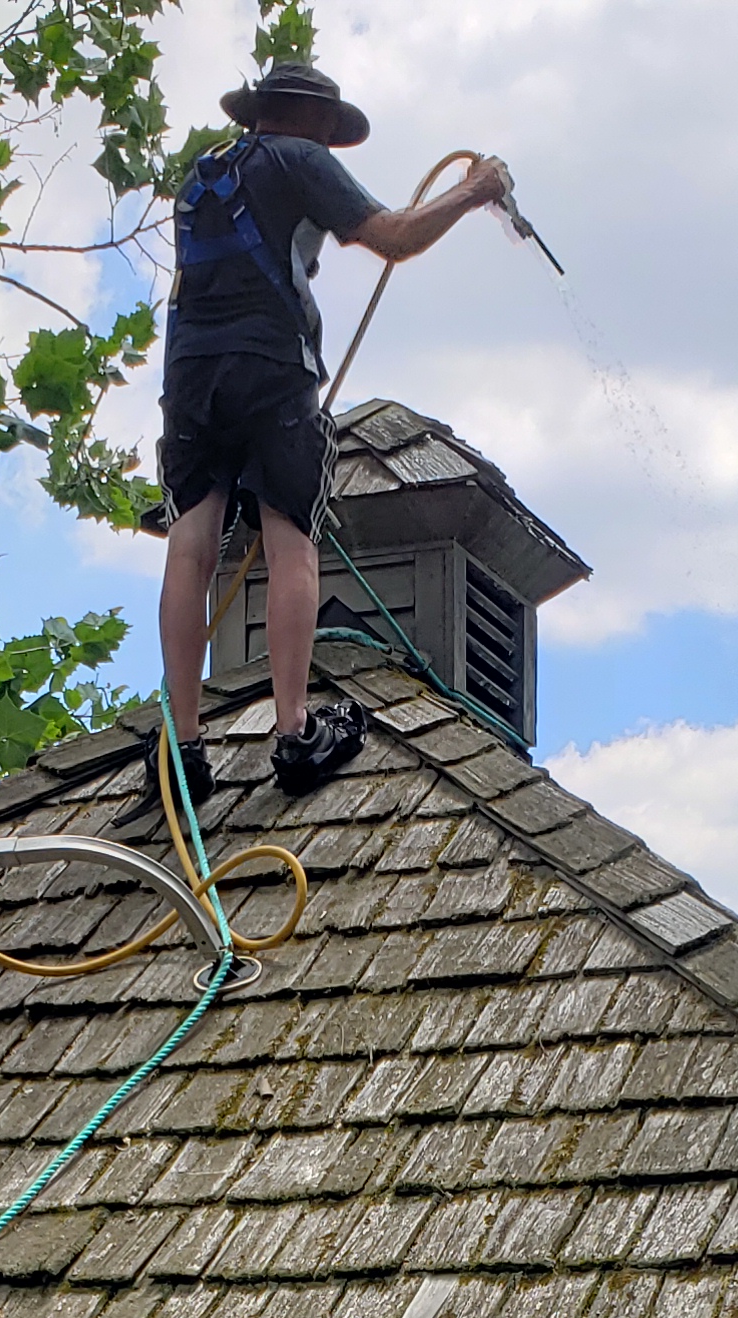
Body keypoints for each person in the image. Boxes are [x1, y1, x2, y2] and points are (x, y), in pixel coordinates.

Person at [155, 62, 513, 802]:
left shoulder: (204, 174)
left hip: (190, 372)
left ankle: (183, 748)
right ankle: (294, 734)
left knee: (191, 543)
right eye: (329, 127)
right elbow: (396, 236)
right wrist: (475, 192)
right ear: (311, 119)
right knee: (292, 537)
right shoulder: (300, 158)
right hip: (270, 368)